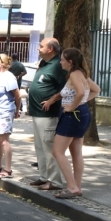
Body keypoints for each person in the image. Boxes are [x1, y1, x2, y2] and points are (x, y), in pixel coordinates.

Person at [52, 48, 101, 199]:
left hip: (73, 115)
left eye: (62, 60)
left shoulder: (74, 74)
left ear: (70, 62)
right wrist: (82, 103)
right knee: (76, 152)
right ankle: (76, 186)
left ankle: (72, 187)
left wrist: (72, 106)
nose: (60, 62)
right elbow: (96, 90)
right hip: (81, 114)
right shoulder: (81, 74)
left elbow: (80, 92)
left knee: (57, 151)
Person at [27, 38, 68, 191]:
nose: (38, 48)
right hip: (37, 112)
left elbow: (65, 88)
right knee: (40, 146)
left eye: (41, 46)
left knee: (48, 147)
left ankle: (55, 181)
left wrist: (51, 100)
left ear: (50, 49)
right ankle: (44, 176)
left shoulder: (58, 65)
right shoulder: (44, 63)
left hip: (49, 114)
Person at [0, 54, 21, 177]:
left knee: (4, 140)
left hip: (5, 111)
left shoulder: (8, 77)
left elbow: (17, 95)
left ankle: (8, 169)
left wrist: (17, 110)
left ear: (0, 64)